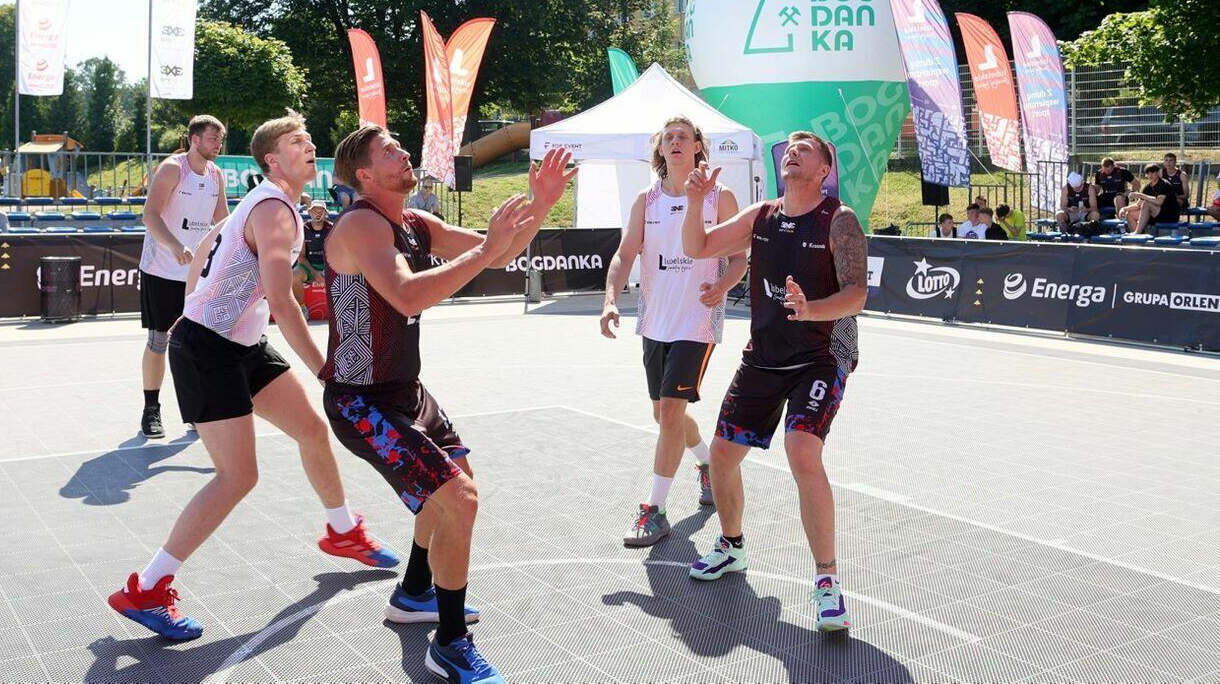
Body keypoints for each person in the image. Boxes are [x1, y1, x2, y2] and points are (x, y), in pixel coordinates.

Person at [109, 112, 398, 642]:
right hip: (208, 351)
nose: (309, 145)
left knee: (312, 430)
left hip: (239, 344)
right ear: (272, 160)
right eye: (297, 141)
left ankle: (342, 531)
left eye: (309, 138)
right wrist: (327, 370)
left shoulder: (265, 202)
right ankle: (146, 587)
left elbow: (203, 252)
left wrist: (196, 302)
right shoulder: (274, 211)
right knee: (238, 476)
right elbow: (285, 304)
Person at [322, 124, 575, 684]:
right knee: (458, 499)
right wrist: (487, 248)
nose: (403, 153)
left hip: (405, 392)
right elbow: (407, 294)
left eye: (400, 146)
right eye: (390, 151)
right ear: (364, 175)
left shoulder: (416, 222)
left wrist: (541, 203)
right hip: (361, 403)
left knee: (454, 484)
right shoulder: (361, 223)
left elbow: (500, 253)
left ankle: (415, 592)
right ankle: (451, 643)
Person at [681, 131, 868, 634]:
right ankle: (732, 546)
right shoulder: (761, 216)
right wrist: (695, 203)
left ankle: (827, 582)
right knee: (722, 455)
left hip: (821, 356)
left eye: (807, 148)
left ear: (824, 169)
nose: (794, 150)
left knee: (802, 450)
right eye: (791, 146)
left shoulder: (839, 219)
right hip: (764, 357)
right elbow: (697, 246)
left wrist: (811, 309)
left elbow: (856, 294)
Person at [599, 117, 748, 548]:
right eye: (669, 137)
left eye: (684, 136)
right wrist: (610, 300)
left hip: (697, 322)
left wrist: (722, 285)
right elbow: (625, 254)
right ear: (660, 149)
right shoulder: (646, 200)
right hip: (655, 321)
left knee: (668, 412)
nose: (676, 141)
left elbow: (739, 259)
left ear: (698, 146)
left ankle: (655, 510)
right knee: (665, 415)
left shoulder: (720, 197)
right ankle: (706, 463)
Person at [135, 116, 230, 438]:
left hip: (197, 273)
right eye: (213, 139)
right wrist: (175, 246)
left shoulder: (216, 174)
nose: (218, 145)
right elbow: (150, 215)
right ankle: (151, 409)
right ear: (194, 139)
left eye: (221, 140)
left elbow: (223, 220)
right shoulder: (173, 169)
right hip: (162, 268)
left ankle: (196, 412)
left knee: (197, 343)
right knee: (159, 340)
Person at [1121, 163, 1180, 234]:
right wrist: (1124, 209)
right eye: (1148, 173)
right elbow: (1137, 205)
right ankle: (1137, 237)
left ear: (1158, 173)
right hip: (1155, 214)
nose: (1150, 175)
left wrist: (1140, 195)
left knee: (1146, 204)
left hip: (1169, 215)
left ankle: (1137, 232)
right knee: (1129, 214)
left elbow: (1159, 201)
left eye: (1152, 172)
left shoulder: (1164, 184)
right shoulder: (1147, 187)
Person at [300, 199, 333, 280]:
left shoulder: (331, 228)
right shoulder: (303, 228)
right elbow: (301, 257)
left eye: (321, 211)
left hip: (328, 266)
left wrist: (325, 272)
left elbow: (336, 254)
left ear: (326, 214)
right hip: (308, 265)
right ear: (309, 212)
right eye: (315, 211)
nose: (318, 213)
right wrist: (315, 273)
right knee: (294, 277)